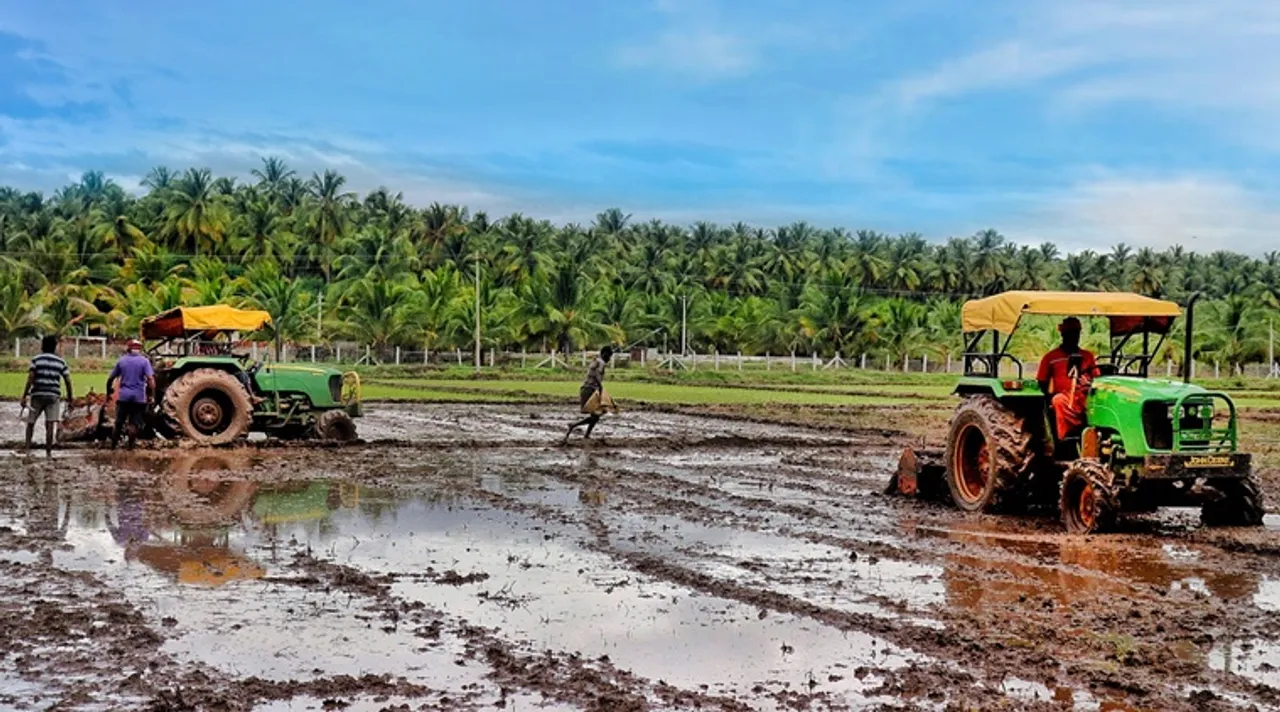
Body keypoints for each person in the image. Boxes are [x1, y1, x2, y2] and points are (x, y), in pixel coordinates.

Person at [1037, 317, 1097, 440]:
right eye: (1070, 333)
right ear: (1063, 335)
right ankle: (1064, 439)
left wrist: (1088, 383)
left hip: (1085, 395)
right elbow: (1042, 381)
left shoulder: (1087, 356)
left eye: (1076, 333)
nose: (1074, 337)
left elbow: (1097, 378)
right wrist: (1049, 398)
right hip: (1064, 397)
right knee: (1058, 401)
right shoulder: (1051, 357)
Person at [21, 335, 73, 456]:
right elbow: (68, 381)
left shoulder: (36, 359)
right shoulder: (60, 361)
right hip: (53, 396)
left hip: (37, 394)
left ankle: (27, 449)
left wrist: (24, 395)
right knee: (50, 424)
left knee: (31, 422)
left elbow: (30, 378)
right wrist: (70, 398)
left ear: (42, 346)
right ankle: (48, 452)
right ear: (55, 347)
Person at [107, 339, 156, 449]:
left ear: (128, 349)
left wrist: (108, 392)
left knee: (119, 423)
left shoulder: (122, 361)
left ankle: (113, 447)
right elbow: (151, 380)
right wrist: (151, 396)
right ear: (140, 349)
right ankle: (130, 447)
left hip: (124, 396)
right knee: (134, 424)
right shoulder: (144, 361)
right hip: (138, 397)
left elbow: (111, 378)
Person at [562, 345, 614, 444]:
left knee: (596, 415)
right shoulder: (601, 363)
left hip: (586, 389)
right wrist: (601, 388)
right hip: (591, 390)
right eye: (609, 356)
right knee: (596, 414)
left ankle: (586, 434)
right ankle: (574, 425)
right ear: (604, 354)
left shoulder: (596, 361)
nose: (609, 359)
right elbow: (597, 377)